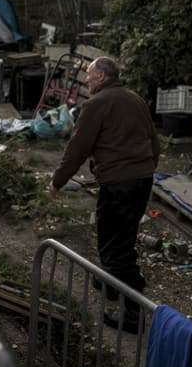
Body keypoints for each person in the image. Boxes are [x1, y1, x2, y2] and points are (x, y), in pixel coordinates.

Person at [48, 56, 160, 333]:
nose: (86, 79)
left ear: (101, 76)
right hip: (141, 179)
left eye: (89, 74)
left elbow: (78, 148)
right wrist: (145, 169)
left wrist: (57, 182)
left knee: (115, 246)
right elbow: (153, 141)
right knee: (121, 235)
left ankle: (134, 313)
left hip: (120, 184)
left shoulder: (96, 104)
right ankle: (112, 282)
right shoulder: (134, 99)